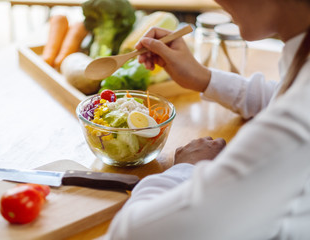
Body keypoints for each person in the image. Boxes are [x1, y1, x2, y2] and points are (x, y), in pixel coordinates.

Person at [104, 0, 310, 239]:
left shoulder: (296, 120)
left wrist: (185, 169)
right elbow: (279, 94)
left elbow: (133, 233)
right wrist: (203, 78)